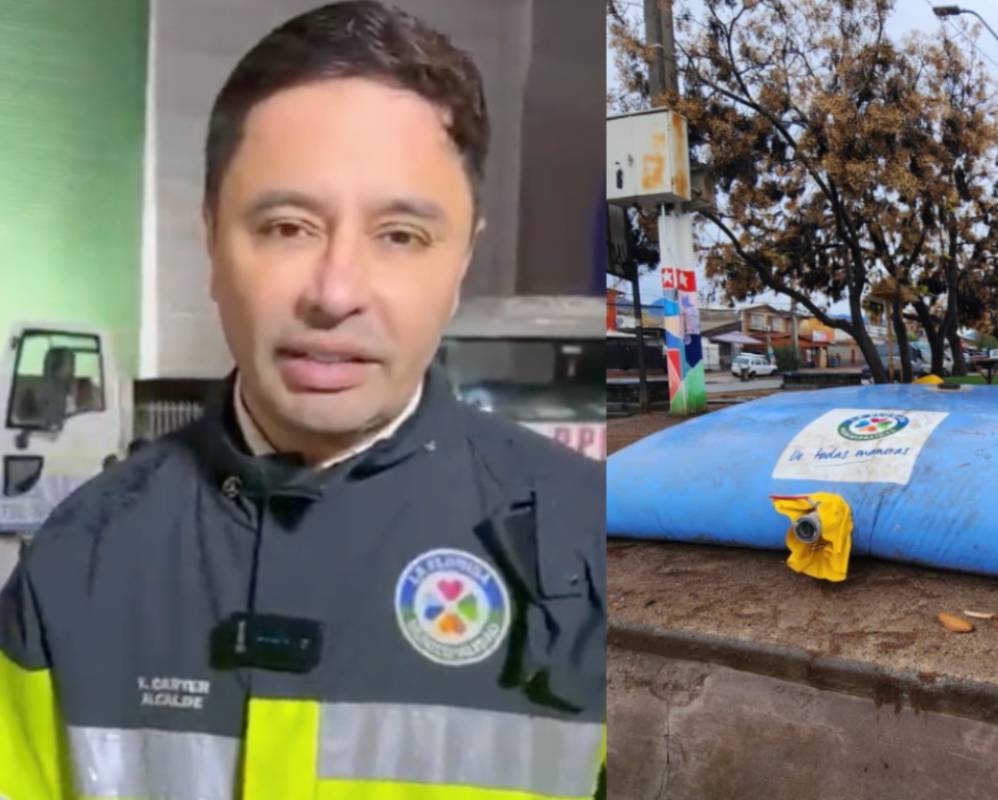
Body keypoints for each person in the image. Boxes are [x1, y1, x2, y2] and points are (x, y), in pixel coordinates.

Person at [0, 3, 605, 798]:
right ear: (213, 240)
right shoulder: (73, 570)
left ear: (461, 261)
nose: (336, 293)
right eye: (287, 227)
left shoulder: (588, 555)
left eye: (400, 236)